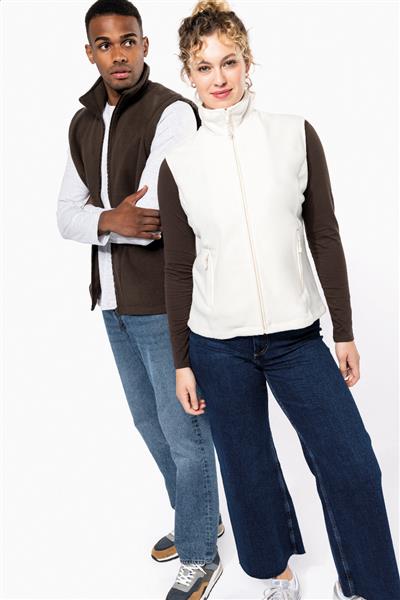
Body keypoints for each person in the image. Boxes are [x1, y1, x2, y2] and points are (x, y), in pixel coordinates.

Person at [158, 1, 400, 599]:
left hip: (296, 338)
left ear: (248, 62)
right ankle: (278, 576)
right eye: (204, 66)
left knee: (352, 464)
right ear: (188, 74)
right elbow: (178, 267)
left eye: (229, 62)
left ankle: (370, 586)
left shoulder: (294, 134)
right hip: (218, 345)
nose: (219, 77)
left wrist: (343, 330)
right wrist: (182, 360)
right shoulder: (179, 163)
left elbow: (324, 234)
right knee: (248, 474)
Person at [56, 1, 224, 597]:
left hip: (160, 301)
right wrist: (110, 218)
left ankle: (201, 554)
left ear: (145, 45)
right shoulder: (82, 123)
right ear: (90, 53)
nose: (118, 54)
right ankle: (199, 516)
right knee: (148, 422)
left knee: (184, 432)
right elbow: (64, 217)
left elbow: (151, 219)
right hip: (111, 303)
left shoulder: (172, 112)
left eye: (128, 41)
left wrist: (100, 219)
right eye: (104, 45)